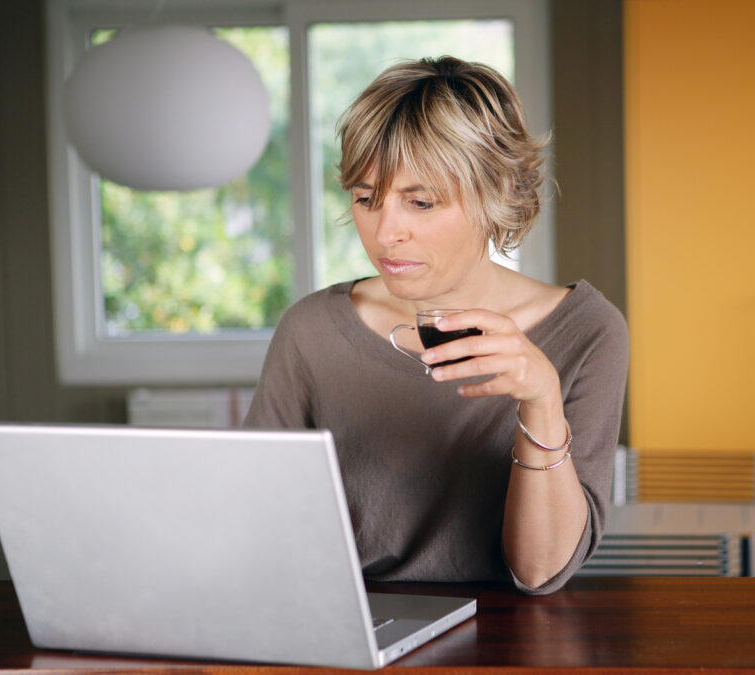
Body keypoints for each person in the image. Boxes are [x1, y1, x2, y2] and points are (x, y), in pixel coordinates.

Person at [244, 56, 628, 595]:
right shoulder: (312, 331)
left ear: (496, 195)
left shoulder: (587, 331)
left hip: (509, 641)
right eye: (365, 198)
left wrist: (542, 398)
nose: (385, 233)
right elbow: (253, 525)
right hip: (349, 634)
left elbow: (539, 570)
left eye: (420, 202)